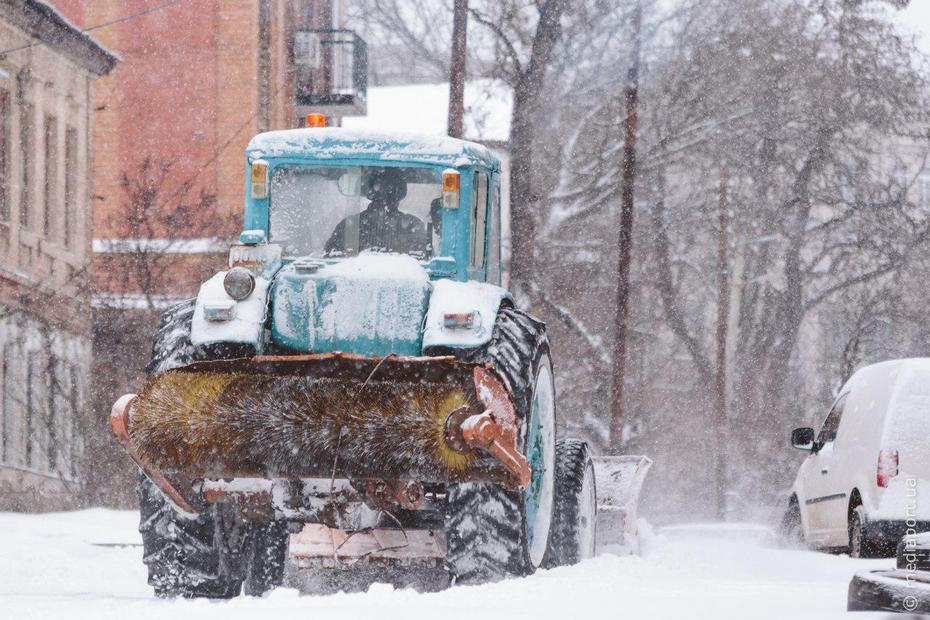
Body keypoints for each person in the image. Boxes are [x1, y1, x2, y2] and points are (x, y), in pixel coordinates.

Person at [325, 168, 430, 257]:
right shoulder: (413, 225)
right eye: (382, 187)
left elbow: (331, 259)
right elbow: (422, 260)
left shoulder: (350, 224)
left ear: (369, 192)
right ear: (401, 193)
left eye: (389, 188)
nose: (385, 193)